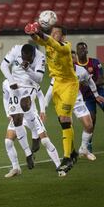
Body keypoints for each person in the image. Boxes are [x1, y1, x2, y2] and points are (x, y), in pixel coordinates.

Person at [0, 44, 63, 176]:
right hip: (18, 107)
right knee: (8, 141)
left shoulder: (39, 63)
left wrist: (43, 111)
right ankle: (16, 167)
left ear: (33, 56)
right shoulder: (6, 83)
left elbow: (39, 84)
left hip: (31, 106)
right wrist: (8, 112)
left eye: (27, 59)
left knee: (43, 141)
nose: (24, 60)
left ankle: (59, 166)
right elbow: (5, 95)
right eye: (22, 58)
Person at [25, 22, 79, 175]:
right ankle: (73, 152)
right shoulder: (48, 43)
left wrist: (40, 32)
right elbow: (38, 39)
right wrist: (30, 31)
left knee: (65, 118)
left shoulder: (65, 47)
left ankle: (67, 157)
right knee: (63, 120)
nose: (54, 35)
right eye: (53, 32)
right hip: (56, 85)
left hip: (69, 84)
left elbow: (47, 40)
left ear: (63, 36)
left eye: (57, 33)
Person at [45, 51, 104, 161]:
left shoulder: (81, 70)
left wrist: (96, 95)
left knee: (89, 126)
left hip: (77, 100)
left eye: (73, 58)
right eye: (69, 57)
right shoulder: (59, 71)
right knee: (68, 128)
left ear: (75, 60)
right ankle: (71, 153)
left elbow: (90, 81)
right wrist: (43, 108)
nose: (71, 59)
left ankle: (83, 149)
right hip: (64, 103)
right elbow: (50, 90)